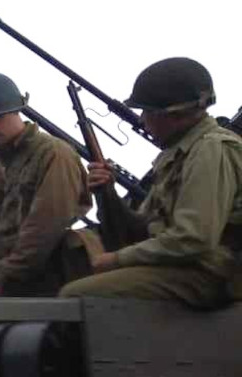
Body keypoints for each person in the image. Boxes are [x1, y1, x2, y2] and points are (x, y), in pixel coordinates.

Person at [61, 58, 242, 308]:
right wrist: (107, 193)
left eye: (147, 112)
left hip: (210, 274)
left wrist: (116, 260)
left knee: (77, 296)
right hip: (182, 267)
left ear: (173, 115)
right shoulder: (177, 154)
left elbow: (194, 239)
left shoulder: (211, 149)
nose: (143, 119)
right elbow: (140, 231)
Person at [0, 72, 92, 298]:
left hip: (48, 282)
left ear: (14, 110)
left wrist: (3, 279)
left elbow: (44, 227)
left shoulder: (54, 154)